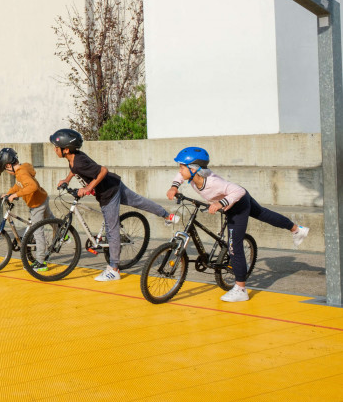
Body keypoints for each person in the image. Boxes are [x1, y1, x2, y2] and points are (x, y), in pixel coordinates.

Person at [167, 146, 309, 303]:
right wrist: (174, 186)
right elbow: (180, 176)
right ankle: (297, 229)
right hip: (233, 201)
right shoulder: (192, 176)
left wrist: (221, 203)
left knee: (234, 245)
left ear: (194, 169)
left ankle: (241, 289)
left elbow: (239, 191)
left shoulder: (213, 182)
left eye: (182, 167)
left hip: (238, 205)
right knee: (264, 214)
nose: (179, 171)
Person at [51, 128, 179, 282]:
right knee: (139, 201)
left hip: (109, 192)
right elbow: (74, 169)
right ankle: (167, 215)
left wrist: (88, 188)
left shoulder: (79, 161)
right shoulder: (74, 158)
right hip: (115, 184)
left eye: (56, 147)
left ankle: (114, 269)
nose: (54, 149)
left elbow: (103, 170)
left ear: (66, 149)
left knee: (112, 231)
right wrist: (66, 179)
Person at [0, 147, 55, 272]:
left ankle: (40, 262)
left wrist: (15, 195)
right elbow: (19, 185)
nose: (7, 172)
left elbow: (32, 186)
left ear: (8, 165)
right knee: (49, 218)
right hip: (42, 198)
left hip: (37, 204)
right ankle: (61, 232)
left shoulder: (21, 173)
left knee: (38, 232)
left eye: (5, 170)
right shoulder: (23, 169)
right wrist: (9, 193)